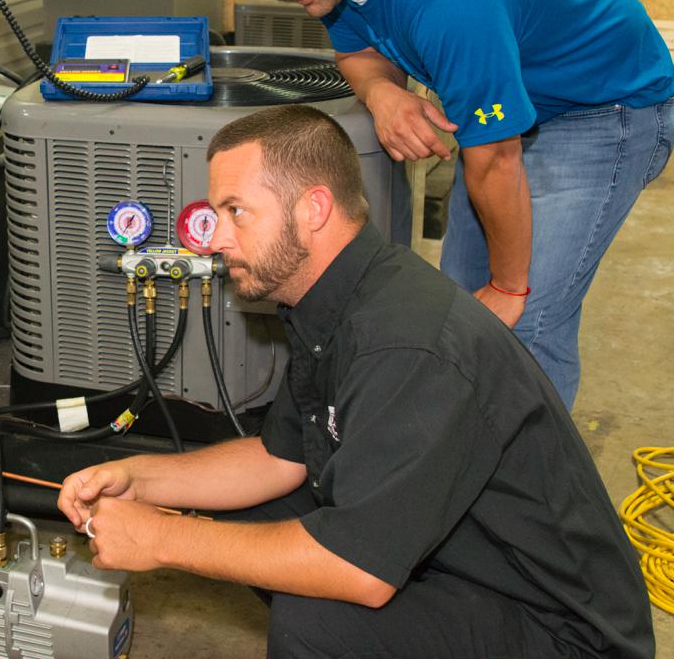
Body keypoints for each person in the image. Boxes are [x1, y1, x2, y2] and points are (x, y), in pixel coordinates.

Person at [58, 106, 653, 657]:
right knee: (261, 520)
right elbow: (278, 459)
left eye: (235, 211)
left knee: (319, 619)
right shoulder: (334, 300)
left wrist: (163, 539)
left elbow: (358, 571)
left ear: (313, 209)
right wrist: (140, 479)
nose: (214, 239)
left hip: (561, 630)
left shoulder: (406, 344)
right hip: (462, 563)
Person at [229, 0, 673, 409]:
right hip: (515, 98)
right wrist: (383, 93)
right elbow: (357, 49)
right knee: (460, 305)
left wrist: (510, 287)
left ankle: (530, 467)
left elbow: (496, 159)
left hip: (603, 105)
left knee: (525, 324)